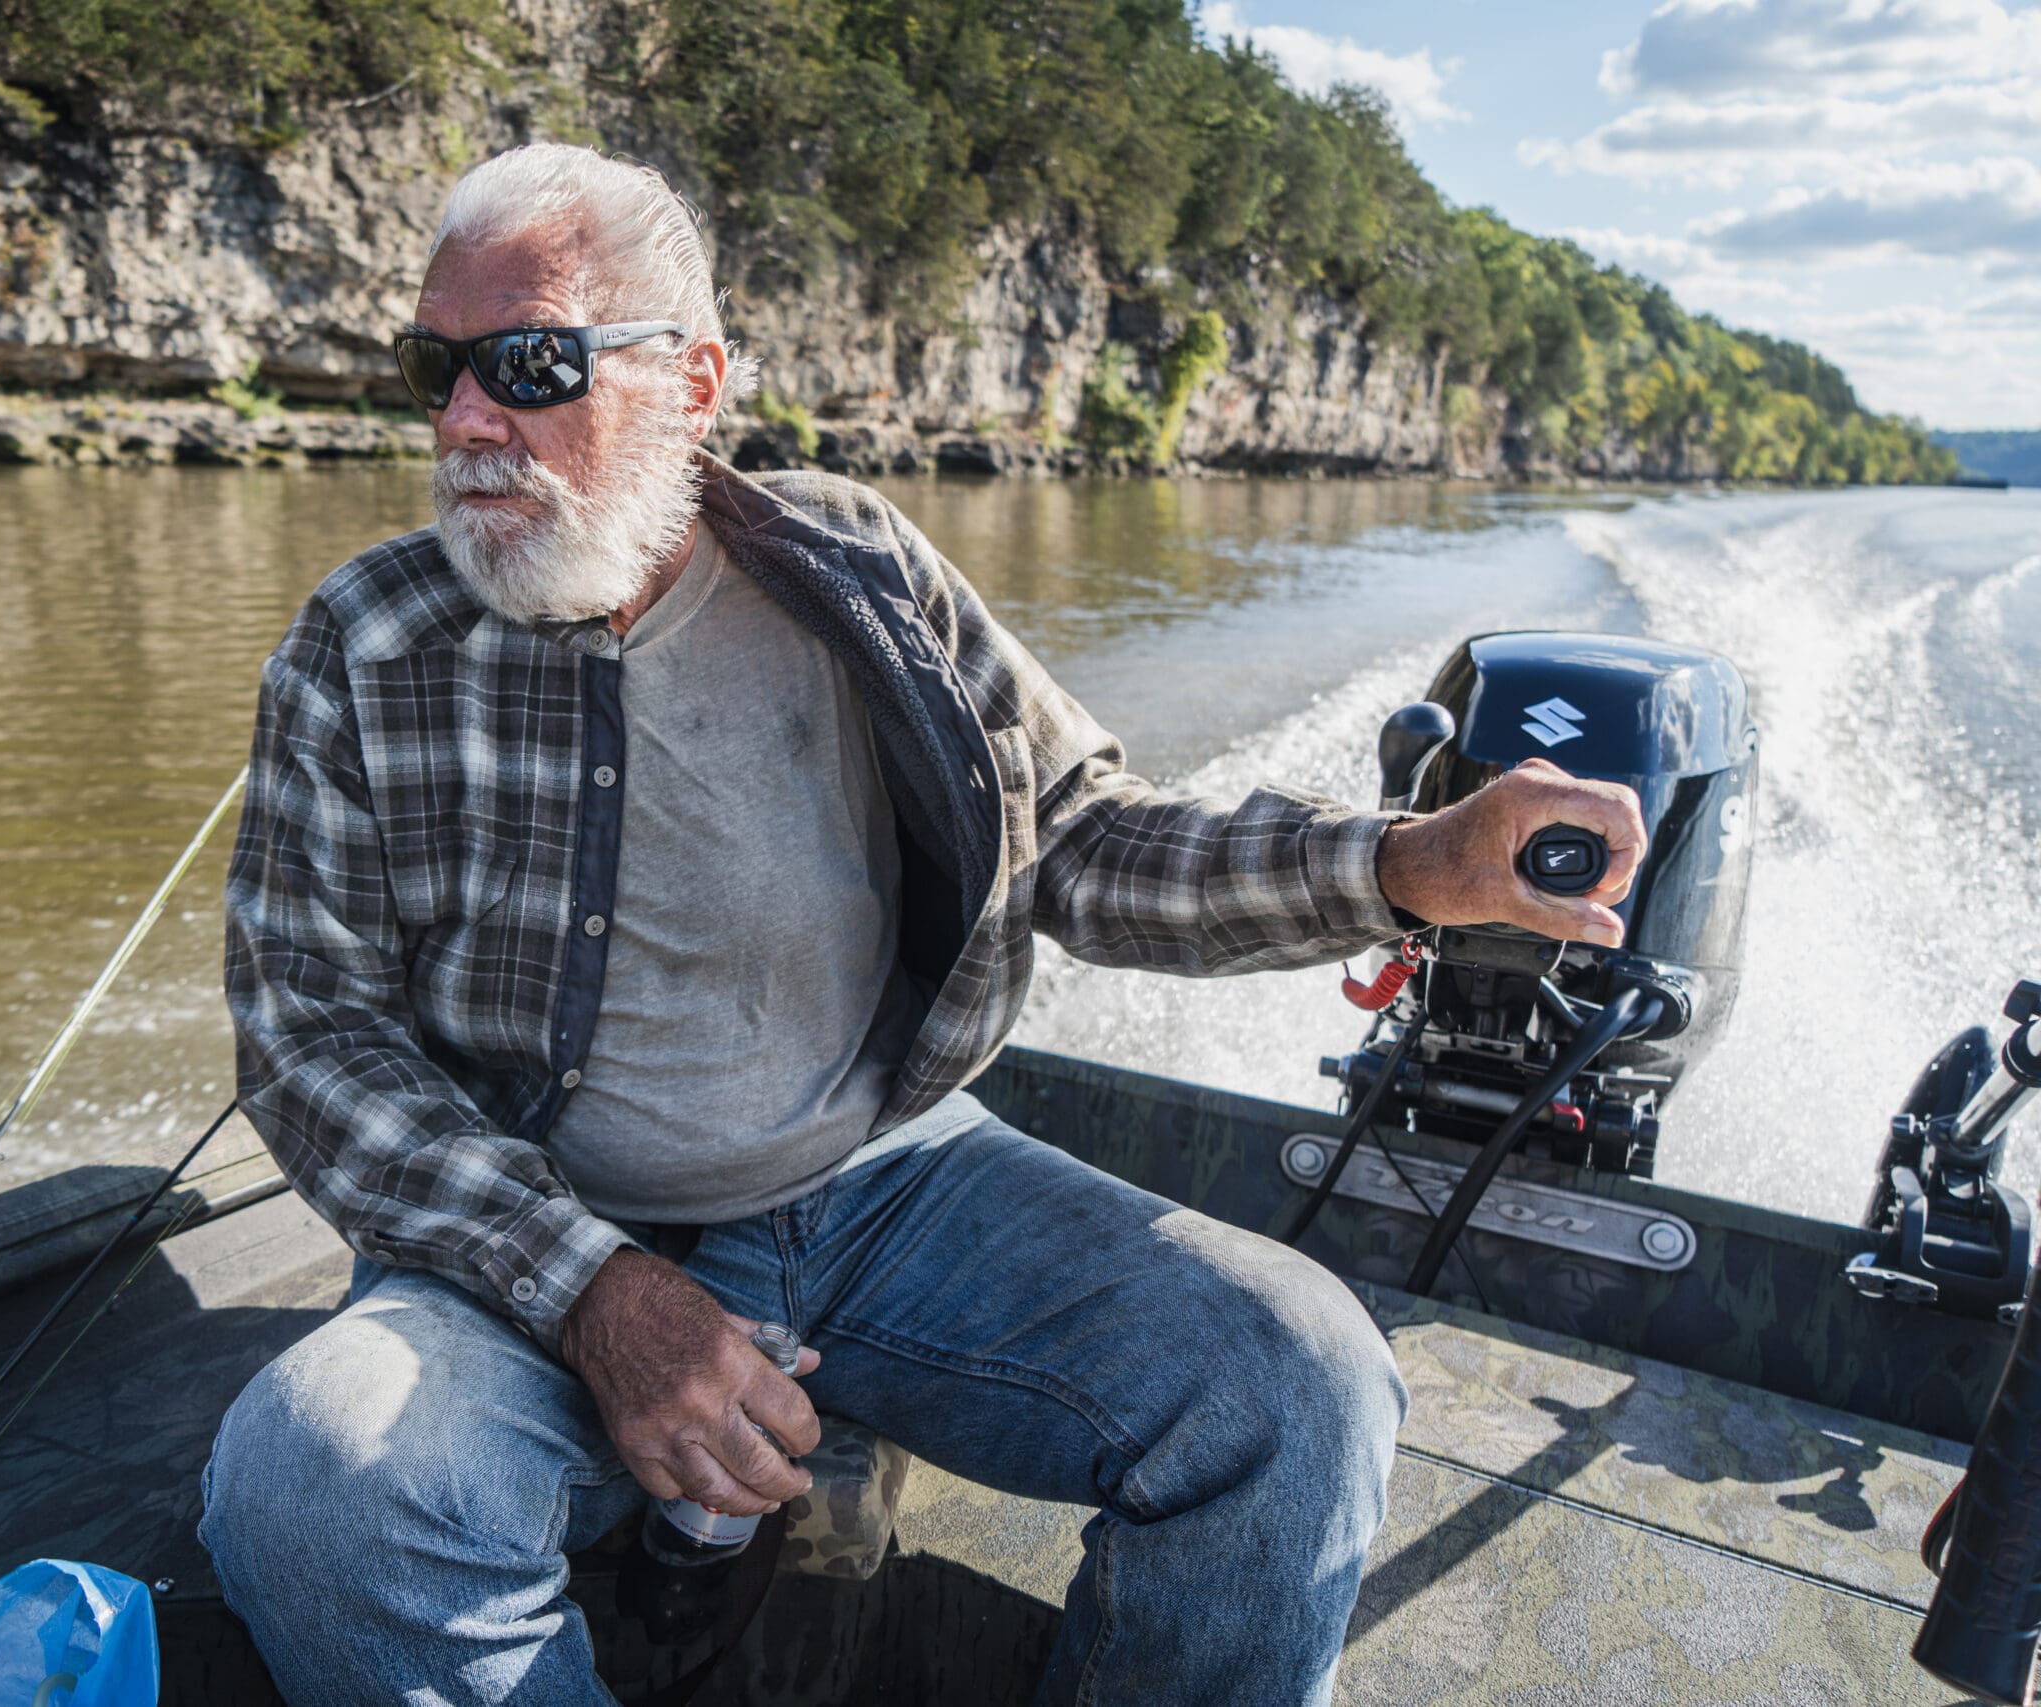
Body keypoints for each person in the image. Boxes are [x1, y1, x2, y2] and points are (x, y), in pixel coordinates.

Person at [199, 142, 1644, 1707]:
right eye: (436, 367)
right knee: (315, 1486)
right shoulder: (366, 641)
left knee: (1300, 1382)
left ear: (691, 382)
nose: (468, 421)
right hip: (531, 1236)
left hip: (882, 1186)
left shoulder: (855, 571)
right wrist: (597, 1292)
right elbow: (310, 1037)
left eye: (531, 365)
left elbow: (1080, 842)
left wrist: (1408, 865)